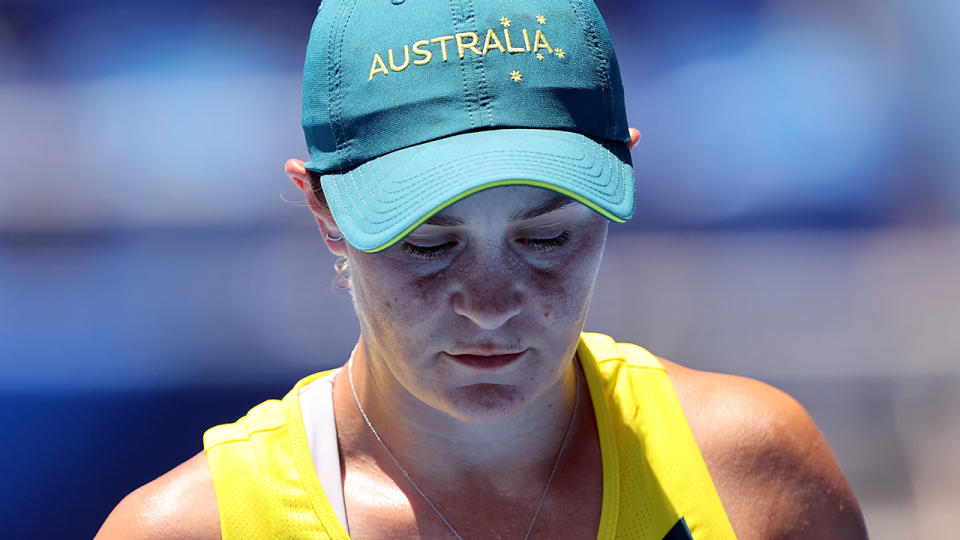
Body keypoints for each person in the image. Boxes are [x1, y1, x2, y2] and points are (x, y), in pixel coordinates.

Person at [97, 1, 868, 538]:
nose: (491, 305)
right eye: (427, 245)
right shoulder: (193, 529)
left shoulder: (755, 474)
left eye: (547, 239)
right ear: (322, 211)